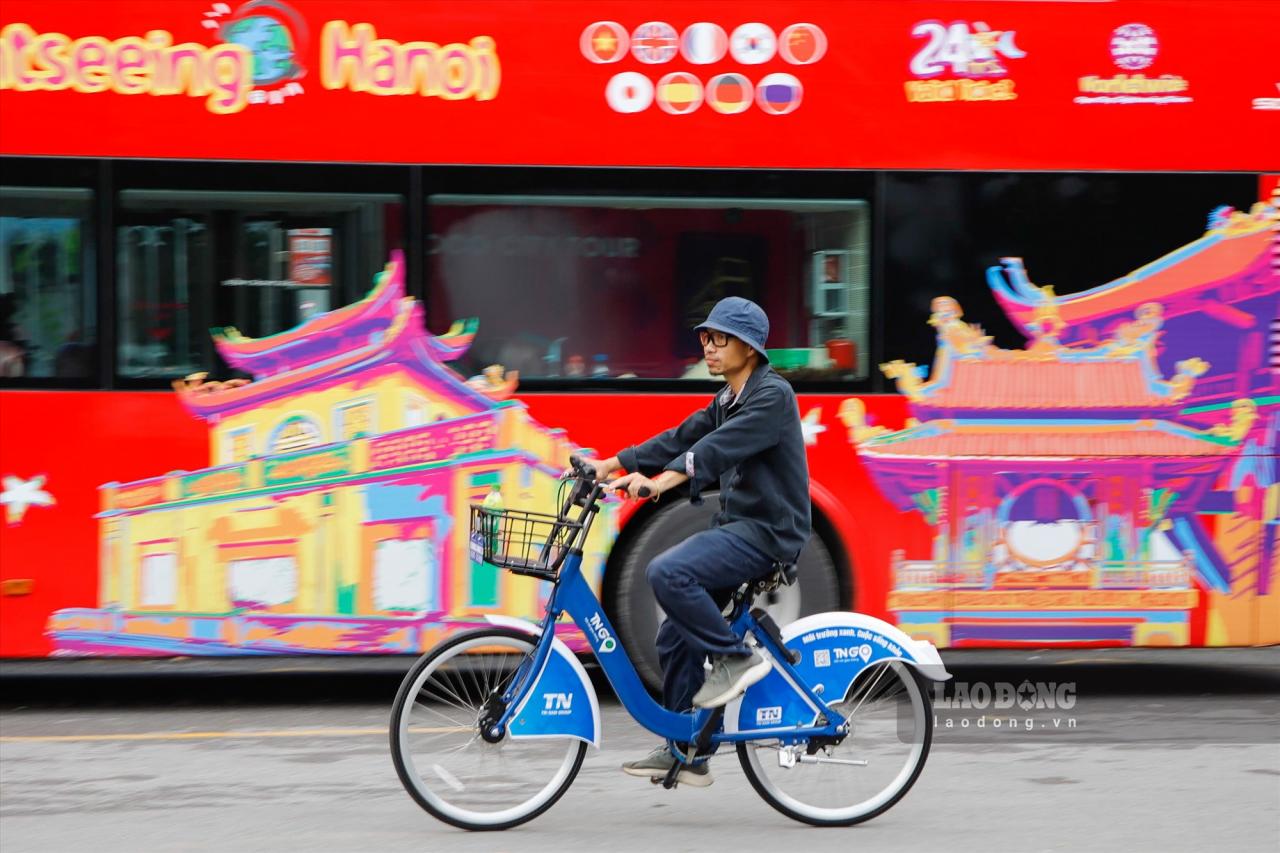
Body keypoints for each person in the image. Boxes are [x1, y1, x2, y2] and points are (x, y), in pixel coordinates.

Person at [580, 296, 811, 788]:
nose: (707, 346)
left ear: (748, 347)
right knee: (672, 634)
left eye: (719, 338)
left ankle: (735, 657)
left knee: (667, 572)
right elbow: (683, 436)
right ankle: (689, 749)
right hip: (739, 527)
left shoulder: (772, 396)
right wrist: (613, 464)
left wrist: (659, 483)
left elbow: (714, 450)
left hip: (768, 532)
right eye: (705, 337)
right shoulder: (728, 398)